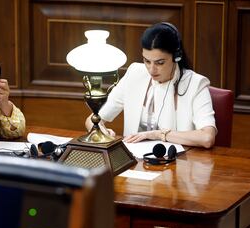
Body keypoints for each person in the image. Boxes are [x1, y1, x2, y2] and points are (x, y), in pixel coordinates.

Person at [85, 22, 216, 148]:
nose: (151, 70)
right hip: (134, 161)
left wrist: (159, 134)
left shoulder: (196, 84)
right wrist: (102, 131)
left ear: (176, 57)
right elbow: (92, 119)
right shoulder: (134, 73)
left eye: (160, 63)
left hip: (178, 164)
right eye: (147, 61)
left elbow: (207, 138)